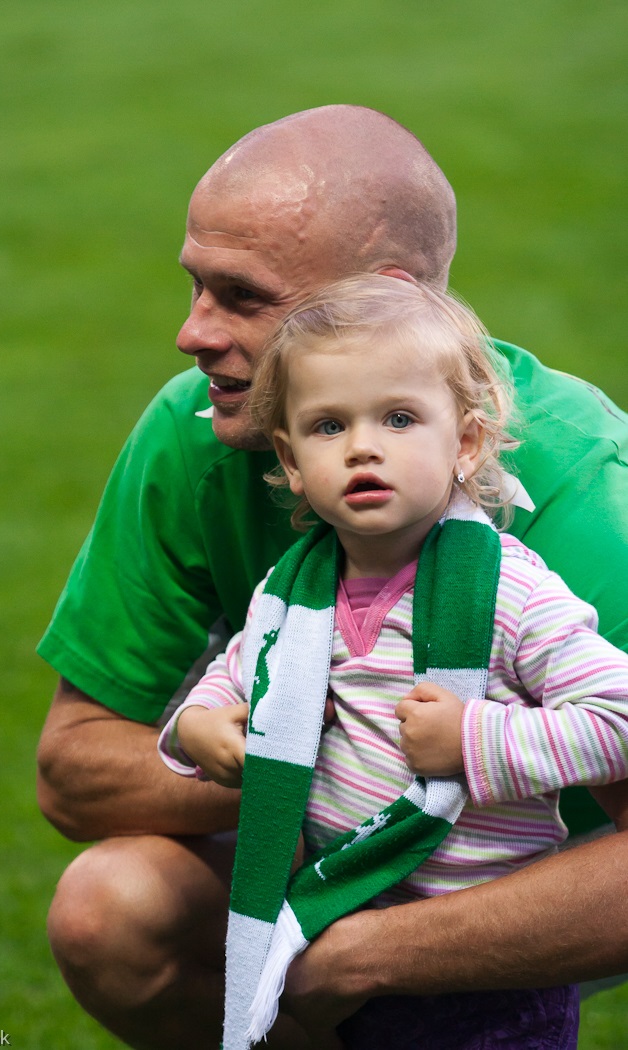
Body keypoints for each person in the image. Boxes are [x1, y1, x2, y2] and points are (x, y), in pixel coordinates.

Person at [36, 105, 628, 1050]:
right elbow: (73, 773)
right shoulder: (203, 430)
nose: (192, 334)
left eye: (242, 296)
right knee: (110, 909)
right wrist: (312, 752)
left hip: (536, 862)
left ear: (379, 296)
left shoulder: (581, 494)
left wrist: (362, 953)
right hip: (322, 847)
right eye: (195, 286)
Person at [158, 275, 628, 1049]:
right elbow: (236, 671)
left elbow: (614, 722)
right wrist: (199, 729)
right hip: (343, 918)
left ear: (466, 442)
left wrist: (473, 742)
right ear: (293, 458)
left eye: (401, 418)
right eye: (329, 426)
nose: (364, 445)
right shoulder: (296, 591)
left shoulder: (510, 590)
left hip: (488, 973)